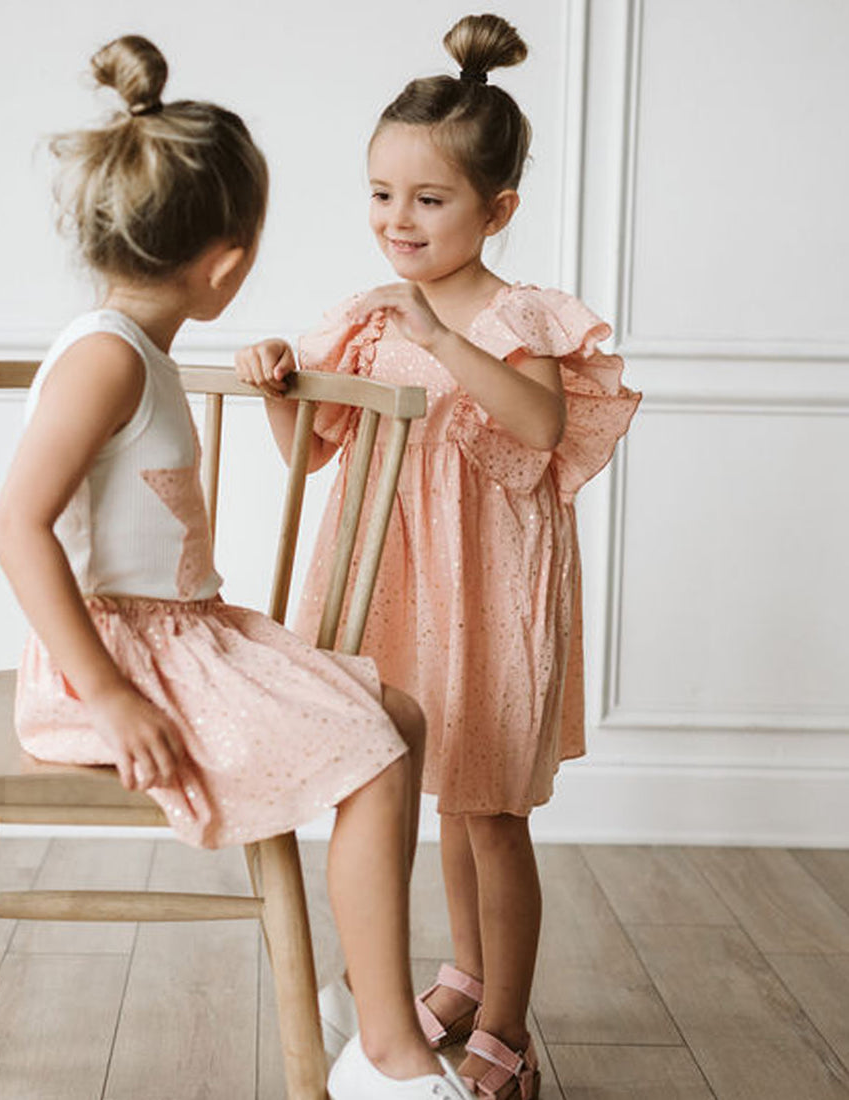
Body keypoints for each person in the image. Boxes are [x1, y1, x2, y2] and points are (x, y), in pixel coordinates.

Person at [0, 33, 474, 1100]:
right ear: (226, 262)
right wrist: (109, 695)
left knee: (395, 714)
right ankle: (388, 1056)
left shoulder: (134, 348)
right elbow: (17, 527)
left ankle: (364, 997)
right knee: (371, 747)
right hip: (113, 662)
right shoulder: (107, 356)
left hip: (176, 635)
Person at [235, 13, 641, 1098]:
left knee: (489, 803)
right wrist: (284, 381)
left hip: (494, 585)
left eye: (428, 198)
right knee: (421, 785)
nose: (395, 219)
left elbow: (542, 425)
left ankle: (502, 1023)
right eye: (380, 193)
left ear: (493, 209)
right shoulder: (364, 318)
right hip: (397, 581)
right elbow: (306, 454)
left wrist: (437, 331)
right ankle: (458, 970)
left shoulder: (518, 314)